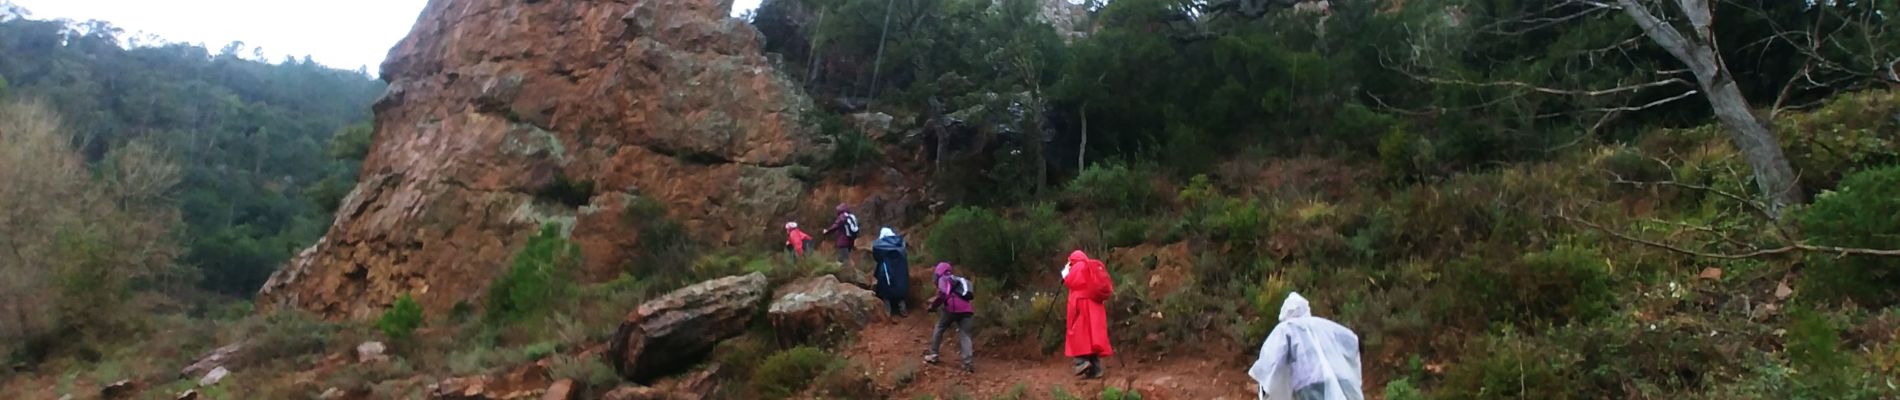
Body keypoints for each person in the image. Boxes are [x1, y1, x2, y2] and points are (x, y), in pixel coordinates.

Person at [1247, 292, 1364, 400]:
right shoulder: (1322, 325)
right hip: (1341, 378)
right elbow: (1351, 339)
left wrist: (1264, 386)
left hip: (1310, 384)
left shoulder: (1287, 327)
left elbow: (1272, 359)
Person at [1062, 250, 1114, 379]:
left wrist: (1065, 272)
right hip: (1096, 305)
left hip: (1080, 304)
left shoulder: (1077, 267)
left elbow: (1069, 281)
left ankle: (1082, 362)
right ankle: (1096, 369)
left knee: (1079, 333)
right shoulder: (1091, 267)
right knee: (1093, 335)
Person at [924, 262, 975, 372]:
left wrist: (933, 306)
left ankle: (934, 355)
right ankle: (968, 364)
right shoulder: (956, 279)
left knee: (940, 327)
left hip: (952, 307)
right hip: (967, 309)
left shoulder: (944, 278)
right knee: (965, 335)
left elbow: (943, 293)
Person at [870, 227, 911, 317]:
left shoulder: (880, 245)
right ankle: (903, 310)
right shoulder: (900, 243)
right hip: (901, 271)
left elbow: (876, 254)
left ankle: (887, 312)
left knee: (886, 292)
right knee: (900, 291)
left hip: (887, 271)